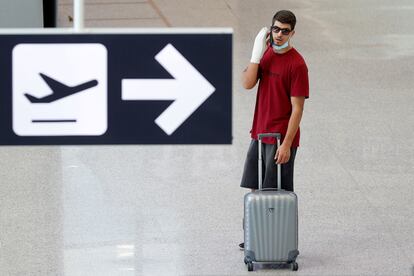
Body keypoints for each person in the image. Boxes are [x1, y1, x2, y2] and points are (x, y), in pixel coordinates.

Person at [239, 10, 309, 250]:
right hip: (259, 133)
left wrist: (287, 144)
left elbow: (297, 108)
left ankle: (275, 240)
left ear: (293, 33)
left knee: (276, 191)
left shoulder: (297, 64)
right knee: (255, 186)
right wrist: (256, 54)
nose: (279, 35)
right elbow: (247, 83)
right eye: (276, 29)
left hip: (281, 138)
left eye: (285, 31)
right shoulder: (266, 53)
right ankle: (254, 235)